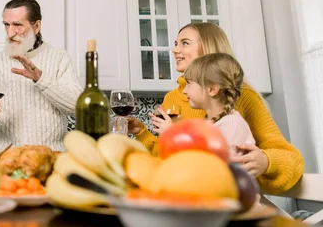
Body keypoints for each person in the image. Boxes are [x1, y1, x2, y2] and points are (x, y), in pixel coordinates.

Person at [129, 22, 304, 194]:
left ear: (208, 49)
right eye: (176, 44)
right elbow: (167, 158)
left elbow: (291, 159)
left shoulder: (242, 95)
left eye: (185, 43)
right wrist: (142, 133)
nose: (175, 50)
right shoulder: (172, 98)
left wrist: (266, 161)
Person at [0, 0, 82, 153]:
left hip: (49, 158)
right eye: (6, 25)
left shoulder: (59, 58)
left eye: (17, 25)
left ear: (36, 26)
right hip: (4, 157)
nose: (10, 33)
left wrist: (40, 79)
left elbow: (78, 108)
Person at [182, 53, 255, 158]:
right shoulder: (211, 123)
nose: (184, 91)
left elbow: (212, 166)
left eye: (189, 83)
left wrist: (173, 135)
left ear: (212, 90)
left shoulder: (232, 124)